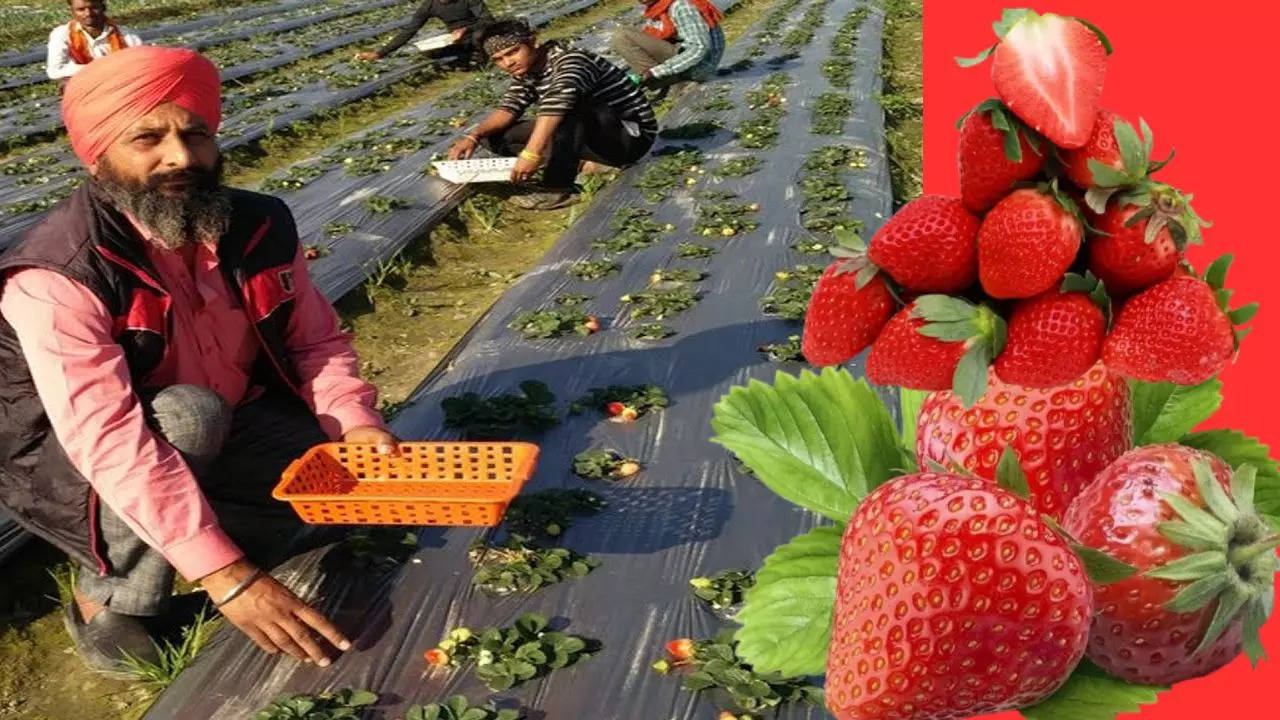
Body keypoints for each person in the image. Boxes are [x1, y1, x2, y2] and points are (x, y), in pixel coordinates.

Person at [0, 46, 399, 672]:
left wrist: (355, 420)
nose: (181, 157)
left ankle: (216, 521)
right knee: (189, 415)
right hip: (76, 463)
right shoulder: (59, 273)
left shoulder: (258, 224)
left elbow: (313, 340)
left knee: (337, 494)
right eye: (148, 138)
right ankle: (108, 601)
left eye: (196, 134)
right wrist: (226, 577)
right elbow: (107, 439)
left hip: (233, 413)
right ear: (98, 151)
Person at [446, 18, 657, 211]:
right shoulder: (527, 71)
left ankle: (558, 189)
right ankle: (589, 165)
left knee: (567, 110)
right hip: (593, 135)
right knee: (494, 135)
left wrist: (531, 154)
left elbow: (557, 105)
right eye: (498, 59)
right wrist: (473, 135)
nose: (507, 63)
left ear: (533, 42)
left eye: (513, 52)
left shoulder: (571, 61)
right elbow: (508, 108)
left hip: (630, 137)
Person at [610, 0, 725, 97]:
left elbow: (699, 48)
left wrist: (654, 72)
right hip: (683, 58)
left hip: (699, 66)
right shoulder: (658, 7)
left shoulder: (681, 6)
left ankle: (669, 82)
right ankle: (666, 82)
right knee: (629, 35)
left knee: (621, 36)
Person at [354, 0, 492, 65]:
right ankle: (469, 54)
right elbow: (410, 30)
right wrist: (379, 53)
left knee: (478, 37)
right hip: (456, 38)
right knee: (431, 52)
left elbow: (488, 20)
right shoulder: (429, 6)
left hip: (479, 31)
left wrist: (466, 29)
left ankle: (482, 56)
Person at [47, 0, 142, 85]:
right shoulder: (62, 34)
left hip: (121, 84)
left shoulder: (125, 34)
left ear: (103, 7)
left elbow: (141, 63)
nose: (88, 13)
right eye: (81, 9)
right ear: (72, 10)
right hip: (86, 87)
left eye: (94, 8)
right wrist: (100, 69)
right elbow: (55, 71)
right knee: (66, 84)